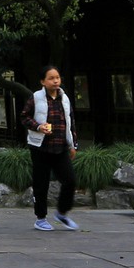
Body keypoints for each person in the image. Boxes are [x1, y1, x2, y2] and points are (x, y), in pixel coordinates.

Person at [21, 66, 79, 232]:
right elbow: (24, 117)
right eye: (51, 78)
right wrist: (38, 127)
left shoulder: (64, 98)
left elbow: (70, 122)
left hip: (60, 147)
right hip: (40, 147)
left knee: (70, 180)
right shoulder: (36, 98)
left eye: (57, 78)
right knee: (41, 183)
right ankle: (40, 218)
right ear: (43, 82)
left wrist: (73, 144)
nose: (55, 81)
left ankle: (62, 213)